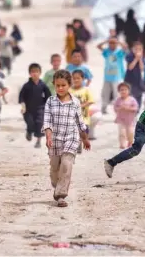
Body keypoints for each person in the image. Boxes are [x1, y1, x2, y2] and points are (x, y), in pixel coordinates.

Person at [42, 70, 90, 207]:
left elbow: (80, 122)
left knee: (66, 164)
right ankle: (57, 184)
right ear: (54, 85)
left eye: (63, 85)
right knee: (54, 169)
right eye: (58, 85)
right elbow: (47, 121)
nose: (60, 88)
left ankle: (61, 195)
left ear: (69, 85)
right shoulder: (50, 102)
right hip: (55, 140)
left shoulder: (75, 102)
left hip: (71, 137)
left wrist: (85, 138)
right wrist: (48, 137)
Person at [19, 63, 52, 148]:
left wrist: (47, 106)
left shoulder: (43, 85)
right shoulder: (26, 86)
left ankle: (38, 141)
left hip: (40, 109)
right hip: (28, 110)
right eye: (32, 72)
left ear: (40, 73)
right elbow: (21, 97)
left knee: (40, 124)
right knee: (30, 123)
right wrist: (23, 106)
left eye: (37, 71)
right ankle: (29, 131)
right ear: (30, 73)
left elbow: (48, 96)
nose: (35, 73)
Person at [97, 37, 127, 114]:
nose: (112, 44)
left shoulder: (119, 52)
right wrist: (107, 40)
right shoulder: (107, 51)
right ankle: (104, 108)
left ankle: (118, 109)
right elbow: (98, 46)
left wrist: (118, 42)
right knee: (105, 93)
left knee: (116, 94)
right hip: (107, 77)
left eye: (114, 43)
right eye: (111, 43)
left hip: (116, 77)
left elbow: (125, 47)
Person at [70, 70, 95, 147]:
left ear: (83, 79)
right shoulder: (69, 90)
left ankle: (82, 141)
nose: (76, 80)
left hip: (84, 117)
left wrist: (82, 105)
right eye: (74, 78)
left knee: (84, 131)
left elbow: (91, 101)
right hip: (72, 117)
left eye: (78, 78)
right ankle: (78, 145)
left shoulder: (86, 89)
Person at [113, 83, 139, 149]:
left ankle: (130, 142)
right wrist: (119, 108)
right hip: (121, 120)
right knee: (122, 133)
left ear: (129, 91)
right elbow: (115, 108)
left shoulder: (132, 99)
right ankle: (122, 144)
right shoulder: (118, 100)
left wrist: (128, 108)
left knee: (130, 133)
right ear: (119, 91)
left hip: (130, 120)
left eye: (125, 90)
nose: (123, 91)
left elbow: (136, 108)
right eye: (121, 90)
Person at [124, 41, 144, 107]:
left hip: (138, 80)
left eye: (140, 49)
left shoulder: (142, 57)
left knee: (138, 96)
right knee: (129, 96)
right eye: (136, 49)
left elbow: (142, 68)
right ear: (133, 49)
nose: (138, 51)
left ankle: (137, 111)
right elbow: (130, 67)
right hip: (129, 79)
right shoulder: (129, 55)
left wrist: (140, 59)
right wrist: (136, 59)